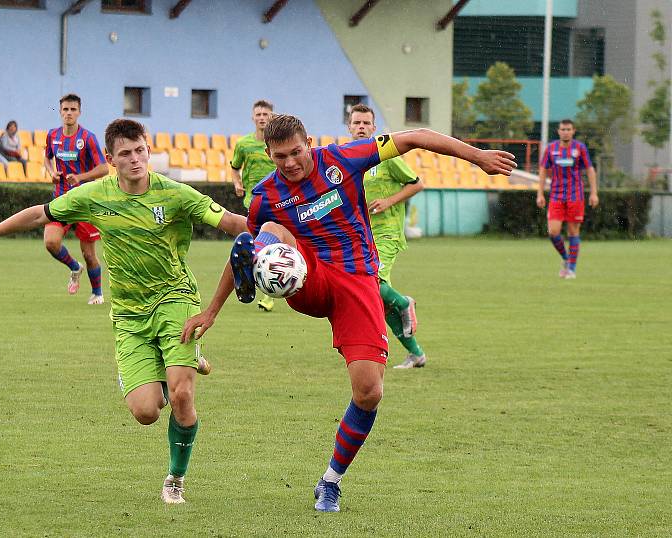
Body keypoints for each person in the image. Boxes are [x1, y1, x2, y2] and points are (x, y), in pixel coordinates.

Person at [182, 114, 516, 512]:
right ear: (268, 154)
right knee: (270, 229)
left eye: (295, 152)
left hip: (358, 281)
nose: (289, 163)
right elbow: (246, 237)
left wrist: (475, 156)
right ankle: (258, 269)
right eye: (279, 156)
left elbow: (416, 137)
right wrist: (212, 311)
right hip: (310, 276)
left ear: (309, 143)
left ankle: (330, 481)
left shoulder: (344, 159)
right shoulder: (266, 194)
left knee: (369, 390)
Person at [0, 118, 247, 505]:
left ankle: (175, 478)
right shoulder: (93, 195)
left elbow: (233, 224)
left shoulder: (175, 194)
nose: (135, 159)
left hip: (176, 300)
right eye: (125, 154)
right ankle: (178, 362)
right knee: (146, 412)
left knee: (183, 395)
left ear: (148, 149)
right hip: (129, 316)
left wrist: (272, 232)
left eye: (140, 150)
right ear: (110, 159)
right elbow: (41, 214)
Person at [347, 104, 426, 369]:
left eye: (365, 123)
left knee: (373, 283)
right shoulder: (346, 160)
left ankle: (405, 302)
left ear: (373, 128)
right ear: (349, 127)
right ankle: (416, 354)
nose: (361, 127)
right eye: (356, 123)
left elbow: (417, 183)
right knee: (377, 298)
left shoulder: (386, 156)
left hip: (387, 233)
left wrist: (389, 200)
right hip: (361, 236)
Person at [43, 94, 109, 304]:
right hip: (61, 199)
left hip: (85, 203)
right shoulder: (52, 135)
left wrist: (80, 177)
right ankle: (74, 267)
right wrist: (51, 172)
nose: (69, 113)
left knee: (89, 254)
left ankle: (97, 293)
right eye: (65, 110)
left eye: (73, 109)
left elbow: (104, 168)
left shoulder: (88, 138)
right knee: (51, 242)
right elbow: (47, 157)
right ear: (60, 111)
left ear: (79, 112)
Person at [230, 100, 278, 312]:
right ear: (252, 117)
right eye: (258, 114)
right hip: (252, 201)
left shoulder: (276, 143)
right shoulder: (243, 144)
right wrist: (237, 183)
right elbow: (234, 167)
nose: (261, 117)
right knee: (256, 245)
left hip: (276, 200)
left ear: (271, 116)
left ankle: (268, 293)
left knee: (267, 245)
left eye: (265, 114)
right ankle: (263, 283)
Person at [536, 119, 598, 279]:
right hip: (556, 195)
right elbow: (543, 170)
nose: (565, 131)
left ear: (573, 131)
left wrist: (593, 192)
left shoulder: (580, 148)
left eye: (568, 129)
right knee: (553, 232)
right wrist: (540, 193)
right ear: (558, 131)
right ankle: (566, 258)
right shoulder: (551, 149)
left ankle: (571, 269)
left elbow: (590, 169)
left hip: (575, 196)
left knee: (573, 232)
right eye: (563, 129)